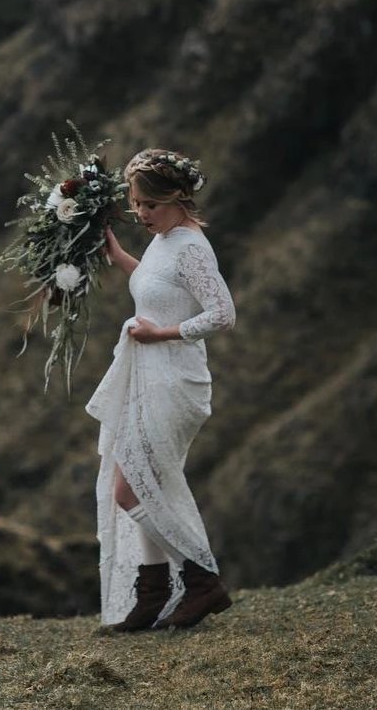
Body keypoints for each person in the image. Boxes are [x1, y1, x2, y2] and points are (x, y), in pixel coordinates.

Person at [86, 148, 236, 632]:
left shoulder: (190, 247)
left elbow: (222, 313)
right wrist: (117, 255)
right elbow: (157, 285)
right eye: (135, 205)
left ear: (176, 199)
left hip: (174, 378)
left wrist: (162, 335)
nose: (141, 214)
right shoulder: (164, 240)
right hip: (148, 375)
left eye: (149, 205)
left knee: (131, 488)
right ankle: (152, 596)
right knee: (135, 483)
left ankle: (200, 581)